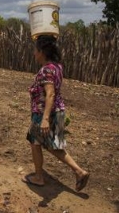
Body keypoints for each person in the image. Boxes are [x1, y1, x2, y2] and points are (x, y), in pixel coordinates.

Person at [23, 35, 90, 192]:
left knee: (35, 142)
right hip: (58, 110)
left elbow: (50, 94)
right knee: (52, 145)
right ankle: (79, 171)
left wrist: (45, 119)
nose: (34, 54)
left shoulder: (46, 70)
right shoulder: (57, 66)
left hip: (45, 113)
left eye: (35, 50)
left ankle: (39, 177)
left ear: (42, 52)